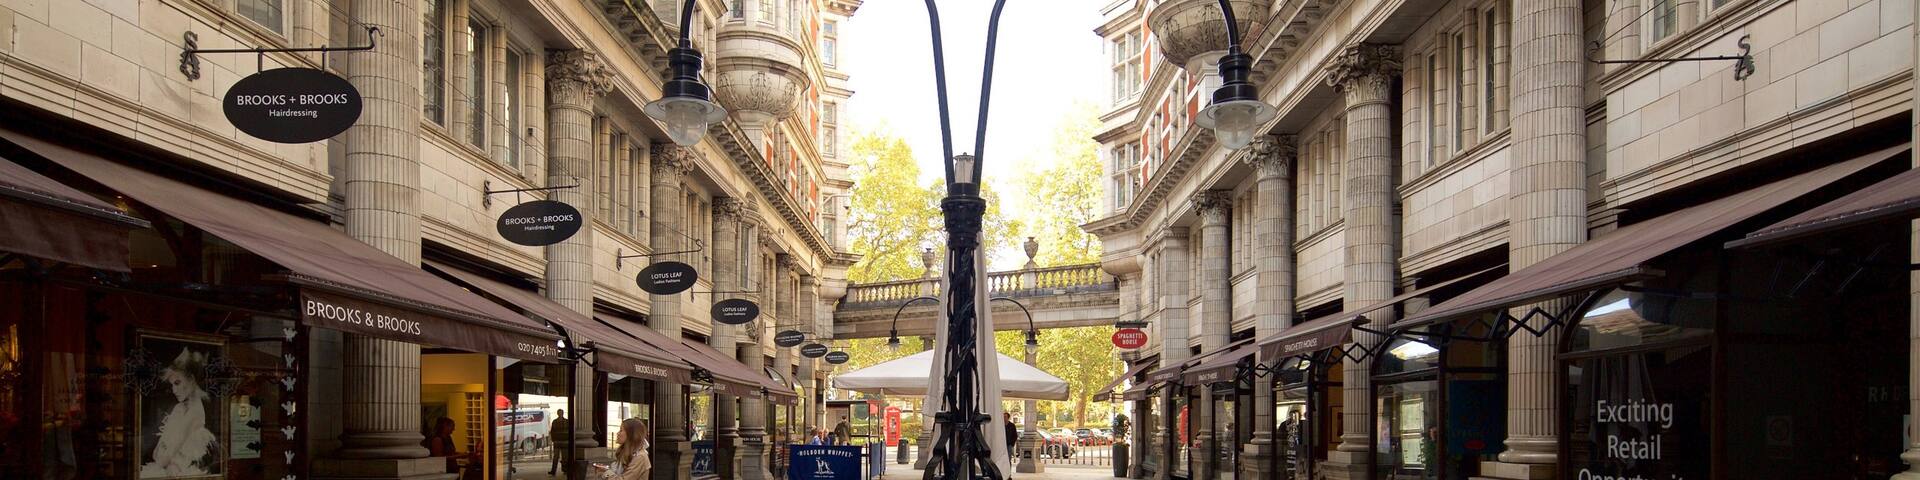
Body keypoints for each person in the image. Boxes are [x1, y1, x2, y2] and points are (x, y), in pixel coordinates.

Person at [141, 350, 219, 477]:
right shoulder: (179, 407)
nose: (173, 390)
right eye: (172, 385)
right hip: (170, 469)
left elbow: (163, 458)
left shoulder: (195, 412)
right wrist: (167, 457)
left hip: (183, 472)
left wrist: (168, 459)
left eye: (177, 383)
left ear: (192, 380)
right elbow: (156, 452)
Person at [549, 409, 571, 475]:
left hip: (564, 441)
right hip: (558, 442)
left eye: (561, 413)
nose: (560, 414)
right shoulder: (555, 421)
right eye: (559, 413)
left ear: (563, 413)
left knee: (565, 457)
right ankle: (553, 471)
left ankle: (565, 470)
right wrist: (553, 440)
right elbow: (552, 431)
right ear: (557, 413)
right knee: (556, 457)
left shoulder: (567, 421)